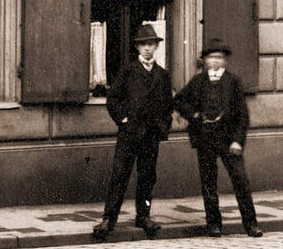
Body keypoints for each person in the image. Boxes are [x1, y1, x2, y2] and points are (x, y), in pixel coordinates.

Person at [173, 39, 263, 238]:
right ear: (204, 60)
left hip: (228, 140)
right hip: (205, 138)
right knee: (208, 182)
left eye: (219, 57)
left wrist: (238, 141)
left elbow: (242, 115)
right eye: (210, 57)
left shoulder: (233, 82)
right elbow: (178, 100)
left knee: (240, 180)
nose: (214, 61)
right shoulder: (198, 81)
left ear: (225, 60)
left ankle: (251, 224)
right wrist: (193, 115)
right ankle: (213, 224)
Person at [92, 24, 173, 240]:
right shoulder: (128, 71)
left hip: (150, 136)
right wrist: (124, 120)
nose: (147, 48)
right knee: (120, 175)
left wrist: (162, 128)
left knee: (147, 176)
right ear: (137, 47)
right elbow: (113, 99)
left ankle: (144, 216)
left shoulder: (162, 75)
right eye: (143, 44)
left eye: (151, 44)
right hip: (129, 135)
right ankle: (109, 218)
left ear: (156, 46)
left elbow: (167, 106)